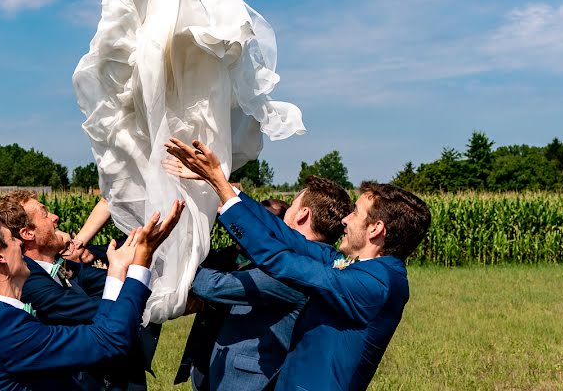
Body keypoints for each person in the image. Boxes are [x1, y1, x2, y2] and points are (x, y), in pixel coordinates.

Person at [73, 0, 305, 322]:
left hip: (193, 139)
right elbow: (120, 176)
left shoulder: (181, 238)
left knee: (195, 64)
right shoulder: (160, 248)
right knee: (128, 92)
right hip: (166, 135)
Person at [165, 138, 431, 391]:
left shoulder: (375, 285)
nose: (345, 221)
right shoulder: (359, 266)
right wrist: (222, 186)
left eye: (355, 214)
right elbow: (288, 238)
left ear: (376, 229)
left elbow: (280, 259)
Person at [0, 199, 184, 391]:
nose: (21, 245)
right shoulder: (5, 329)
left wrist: (118, 269)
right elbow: (109, 341)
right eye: (12, 239)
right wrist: (141, 261)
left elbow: (102, 334)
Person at [175, 179, 352, 390]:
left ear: (302, 214)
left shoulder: (298, 270)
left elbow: (212, 286)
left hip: (246, 381)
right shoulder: (316, 260)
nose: (286, 213)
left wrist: (174, 256)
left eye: (292, 205)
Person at [0, 191, 158, 391]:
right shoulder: (29, 281)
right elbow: (90, 309)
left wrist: (132, 266)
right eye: (45, 213)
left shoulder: (62, 265)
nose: (55, 217)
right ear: (28, 233)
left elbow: (106, 282)